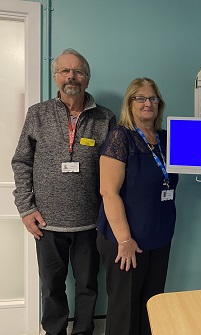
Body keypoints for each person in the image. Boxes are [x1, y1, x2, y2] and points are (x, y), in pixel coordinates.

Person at [11, 48, 116, 335]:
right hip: (47, 222)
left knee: (88, 285)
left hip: (91, 222)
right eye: (65, 71)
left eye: (78, 71)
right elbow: (21, 161)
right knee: (52, 286)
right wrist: (26, 208)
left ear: (87, 78)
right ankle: (55, 331)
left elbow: (115, 168)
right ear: (56, 76)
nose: (72, 76)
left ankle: (83, 331)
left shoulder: (105, 118)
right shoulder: (38, 114)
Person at [96, 77, 178, 335]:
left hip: (159, 238)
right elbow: (108, 192)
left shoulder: (167, 139)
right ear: (129, 104)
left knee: (152, 306)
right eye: (140, 98)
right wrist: (124, 240)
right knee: (125, 310)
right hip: (126, 241)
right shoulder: (121, 137)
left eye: (153, 98)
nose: (147, 103)